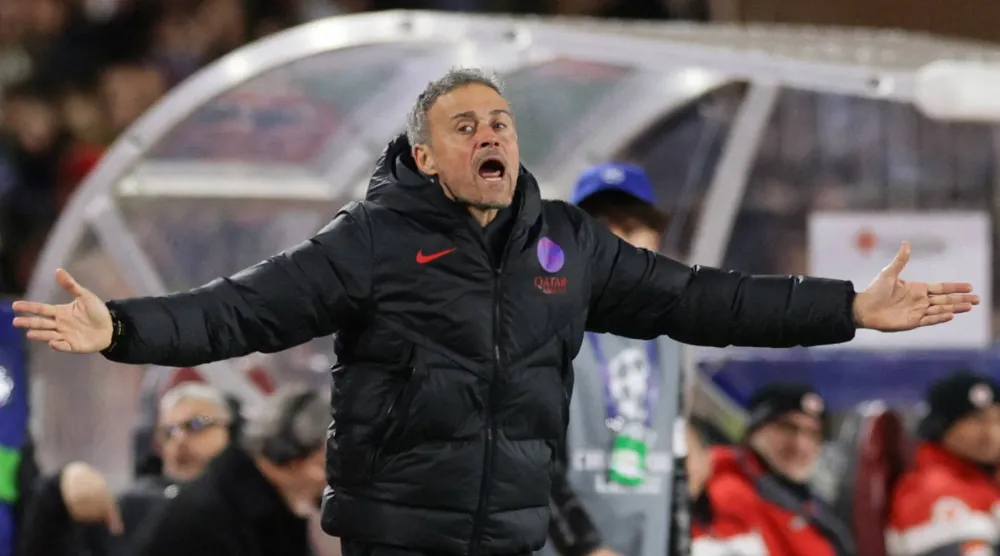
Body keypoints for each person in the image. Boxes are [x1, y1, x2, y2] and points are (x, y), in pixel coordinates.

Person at [11, 68, 978, 556]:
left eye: (501, 121)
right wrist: (123, 328)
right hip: (398, 535)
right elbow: (240, 313)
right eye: (464, 125)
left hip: (513, 537)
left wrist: (847, 306)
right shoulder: (373, 240)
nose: (491, 135)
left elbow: (702, 299)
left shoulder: (566, 243)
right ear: (425, 157)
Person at [544, 162, 679, 556]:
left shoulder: (672, 333)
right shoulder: (544, 323)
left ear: (657, 238)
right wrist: (586, 546)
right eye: (601, 227)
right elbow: (524, 457)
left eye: (633, 226)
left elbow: (679, 457)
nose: (617, 242)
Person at [16, 382, 234, 556]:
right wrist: (57, 491)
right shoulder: (129, 510)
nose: (179, 440)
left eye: (196, 424)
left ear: (232, 431)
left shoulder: (254, 507)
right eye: (168, 432)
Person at [128, 386, 328, 556]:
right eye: (323, 465)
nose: (180, 441)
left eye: (197, 425)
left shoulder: (272, 510)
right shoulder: (213, 517)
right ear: (294, 456)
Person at [691, 383, 854, 555]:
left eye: (813, 434)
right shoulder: (725, 483)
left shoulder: (805, 504)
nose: (800, 444)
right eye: (788, 428)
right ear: (756, 430)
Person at [887, 372, 1000, 556]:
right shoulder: (930, 489)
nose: (991, 434)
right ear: (940, 426)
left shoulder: (983, 480)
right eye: (976, 421)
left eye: (997, 419)